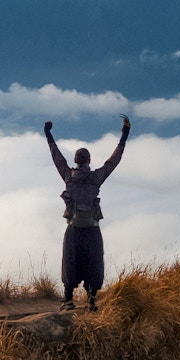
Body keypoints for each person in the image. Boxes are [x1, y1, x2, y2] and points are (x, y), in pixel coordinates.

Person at [44, 114, 131, 311]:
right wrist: (124, 135)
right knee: (93, 263)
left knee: (70, 263)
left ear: (75, 160)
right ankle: (91, 302)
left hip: (73, 228)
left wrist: (48, 135)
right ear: (89, 160)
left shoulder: (68, 176)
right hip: (92, 229)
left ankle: (68, 300)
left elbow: (56, 156)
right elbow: (114, 160)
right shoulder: (96, 178)